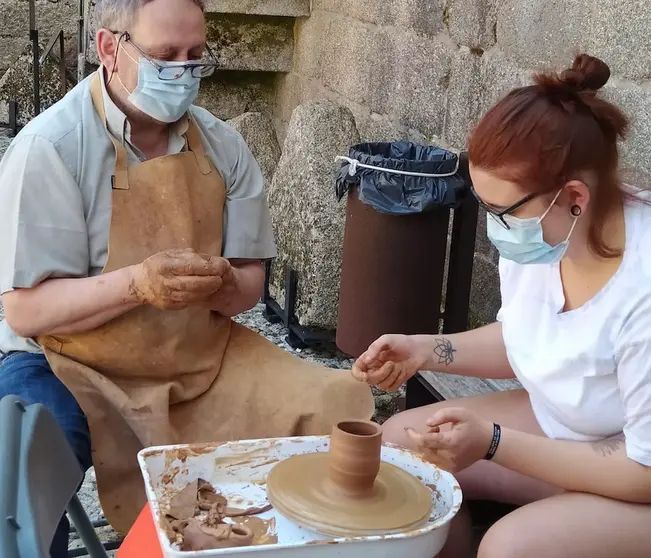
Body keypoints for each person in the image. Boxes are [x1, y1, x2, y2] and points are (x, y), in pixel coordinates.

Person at [0, 0, 373, 555]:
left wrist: (222, 286)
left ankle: (290, 539)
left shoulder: (224, 147)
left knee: (332, 403)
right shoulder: (50, 148)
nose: (182, 71)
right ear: (109, 48)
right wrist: (138, 284)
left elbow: (249, 284)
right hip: (65, 357)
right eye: (165, 55)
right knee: (23, 471)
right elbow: (26, 312)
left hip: (195, 353)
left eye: (196, 56)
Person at [352, 54, 651, 558]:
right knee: (402, 445)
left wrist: (493, 442)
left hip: (635, 472)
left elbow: (643, 472)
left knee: (511, 547)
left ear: (573, 196)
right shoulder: (550, 235)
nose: (494, 228)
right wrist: (424, 350)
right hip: (574, 434)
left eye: (501, 212)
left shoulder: (641, 291)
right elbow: (527, 339)